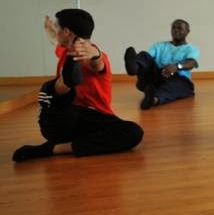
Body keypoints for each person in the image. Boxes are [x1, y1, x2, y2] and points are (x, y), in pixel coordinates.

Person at [13, 10, 144, 162]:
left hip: (93, 119)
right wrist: (50, 30)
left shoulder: (92, 55)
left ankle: (54, 148)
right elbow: (57, 41)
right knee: (56, 92)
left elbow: (97, 63)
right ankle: (67, 82)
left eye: (57, 27)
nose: (56, 31)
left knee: (133, 132)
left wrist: (96, 53)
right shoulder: (65, 50)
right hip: (66, 118)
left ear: (67, 32)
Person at [123, 19, 200, 109]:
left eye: (179, 28)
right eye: (173, 28)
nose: (176, 30)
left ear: (187, 32)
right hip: (158, 75)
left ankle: (152, 99)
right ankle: (134, 67)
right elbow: (147, 58)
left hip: (178, 79)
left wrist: (177, 66)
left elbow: (191, 63)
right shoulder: (159, 45)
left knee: (177, 88)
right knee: (144, 55)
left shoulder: (192, 49)